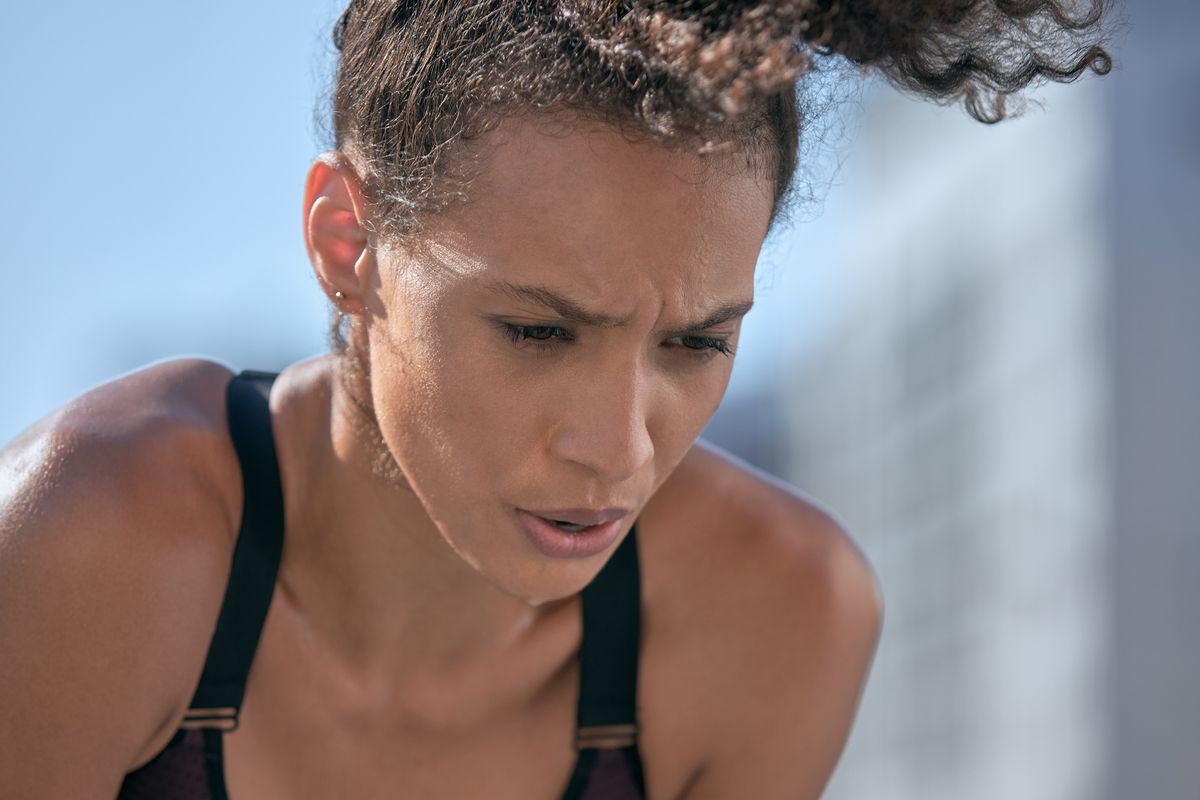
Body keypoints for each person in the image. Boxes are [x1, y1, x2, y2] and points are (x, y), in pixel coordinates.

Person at [0, 2, 1115, 798]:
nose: (619, 447)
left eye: (697, 341)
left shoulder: (780, 617)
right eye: (537, 329)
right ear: (350, 244)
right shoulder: (89, 545)